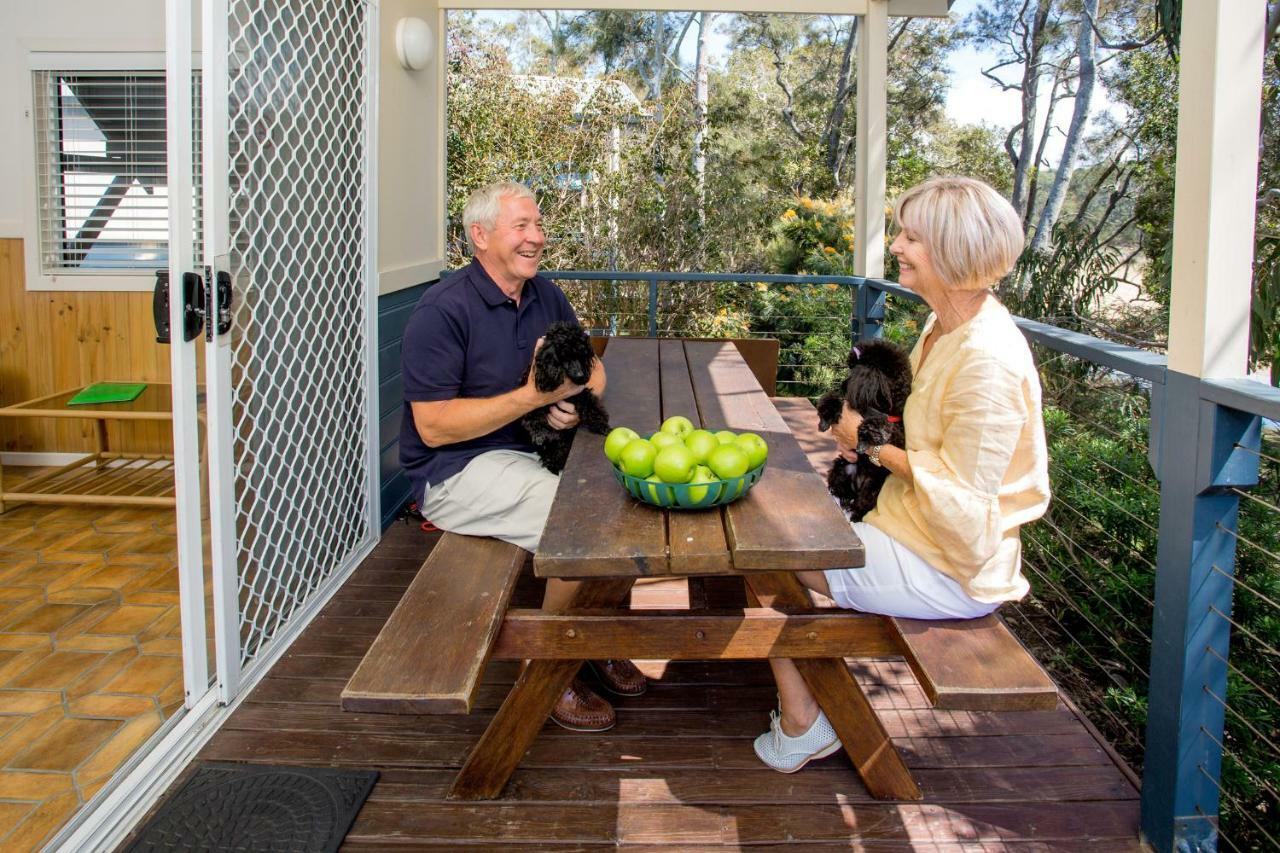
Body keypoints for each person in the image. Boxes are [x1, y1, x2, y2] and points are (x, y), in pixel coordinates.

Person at [753, 176, 1051, 772]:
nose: (896, 247)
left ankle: (805, 719)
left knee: (760, 556)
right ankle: (809, 702)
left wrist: (868, 443)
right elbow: (912, 431)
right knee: (760, 515)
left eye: (912, 237)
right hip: (903, 524)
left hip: (948, 565)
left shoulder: (987, 360)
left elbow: (965, 503)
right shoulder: (942, 327)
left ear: (952, 250)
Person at [399, 181, 646, 732]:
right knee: (579, 524)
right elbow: (434, 428)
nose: (537, 237)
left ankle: (595, 638)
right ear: (480, 236)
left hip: (535, 452)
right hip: (458, 469)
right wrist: (535, 398)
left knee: (631, 493)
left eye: (538, 225)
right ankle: (548, 667)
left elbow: (594, 371)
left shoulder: (545, 296)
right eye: (521, 227)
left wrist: (576, 405)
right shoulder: (442, 311)